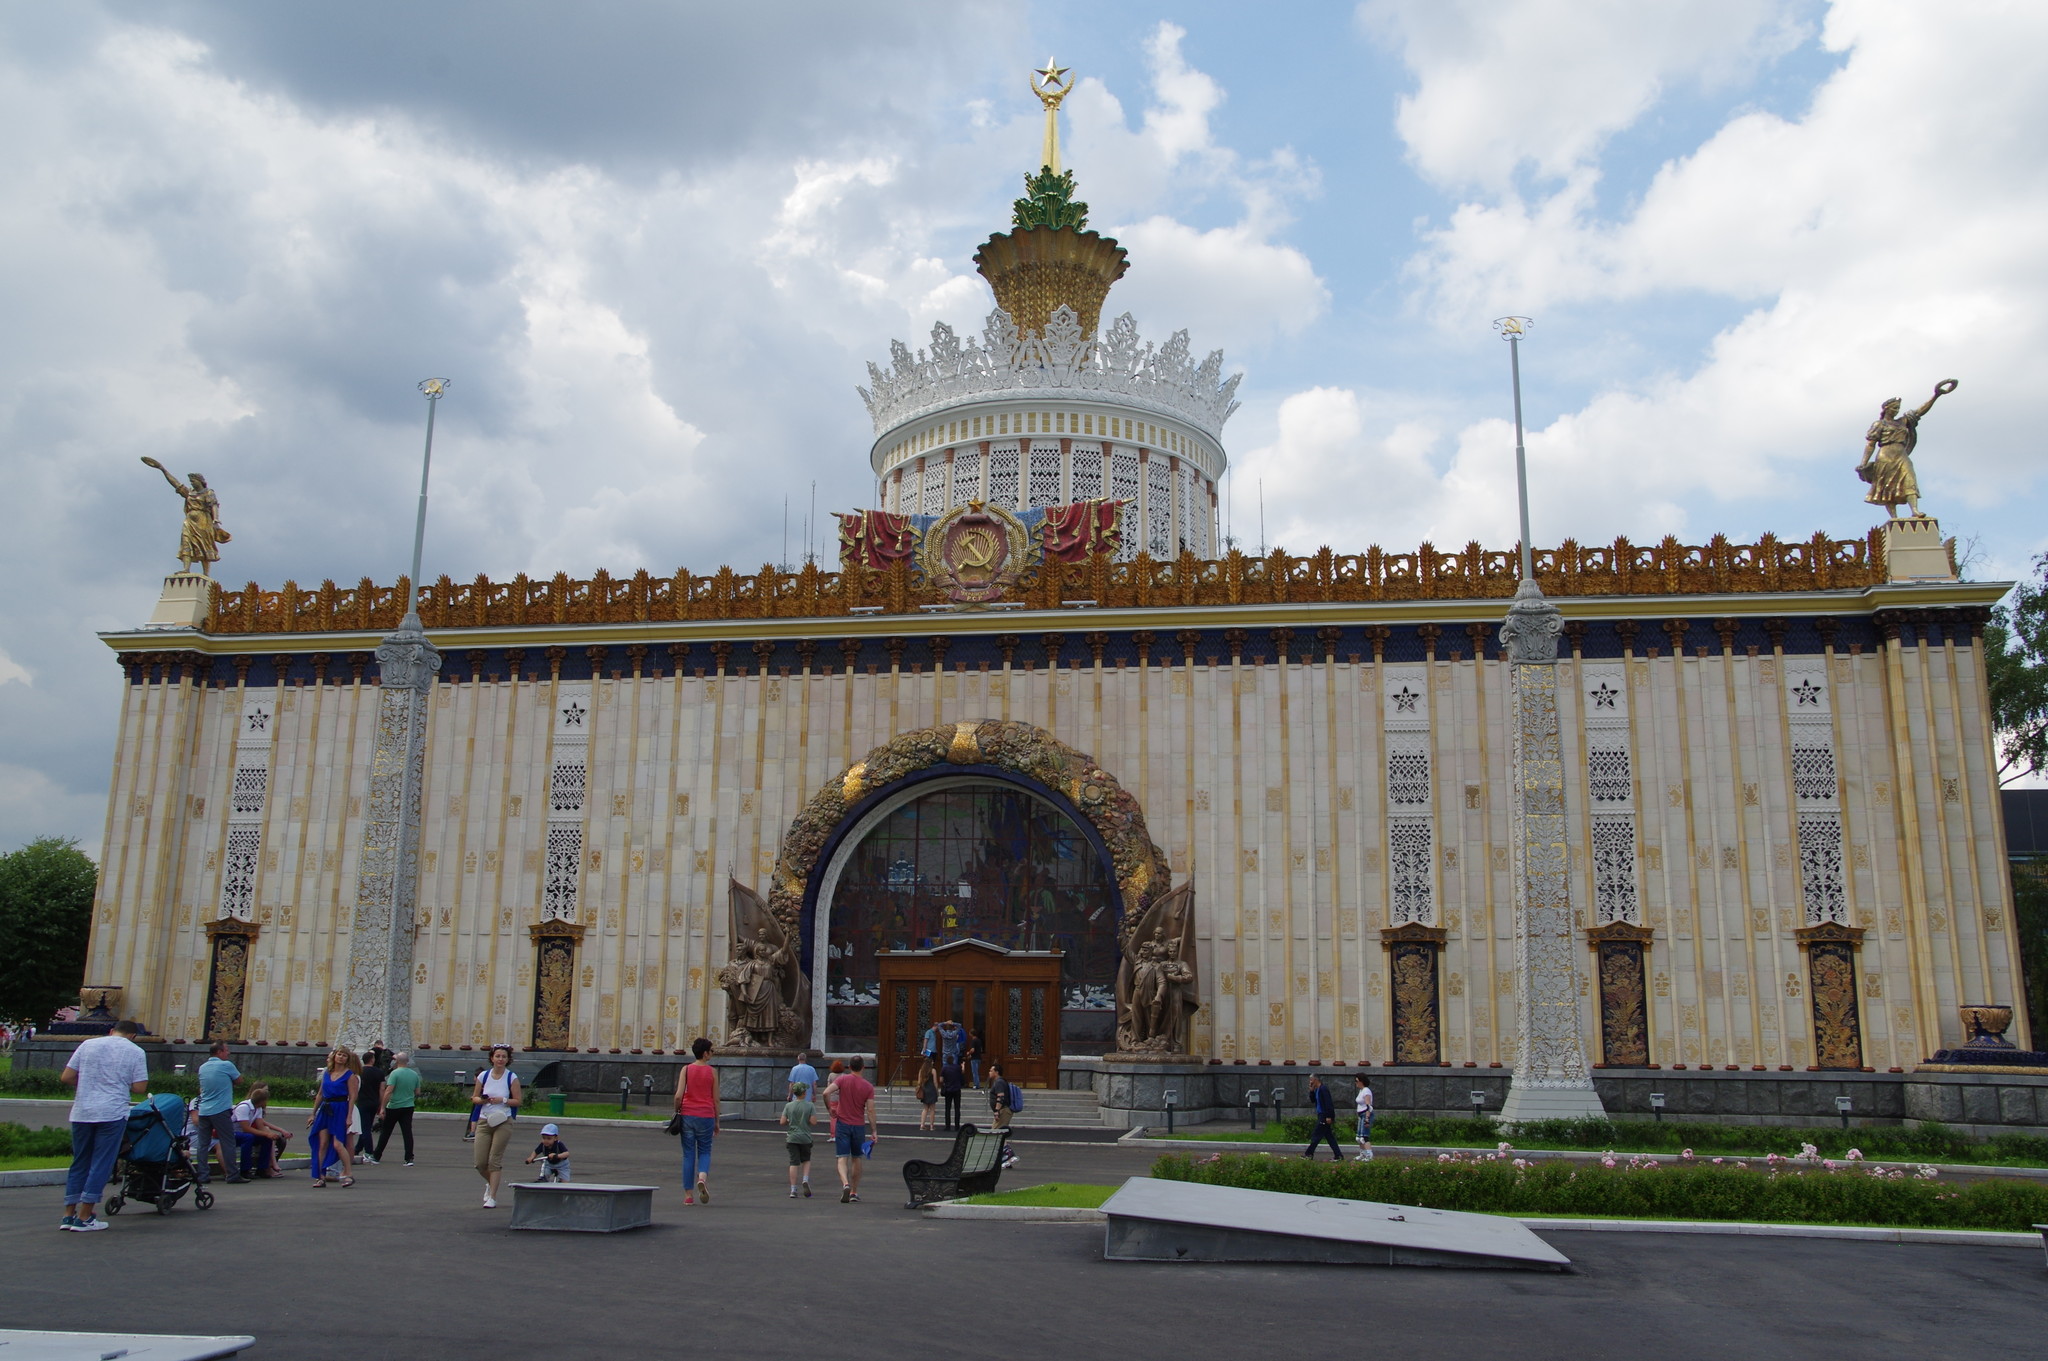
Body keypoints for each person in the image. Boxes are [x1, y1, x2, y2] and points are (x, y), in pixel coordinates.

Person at [60, 1019, 150, 1231]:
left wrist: (88, 1082)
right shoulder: (136, 1051)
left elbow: (67, 1077)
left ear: (111, 1031)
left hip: (82, 1110)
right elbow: (139, 1087)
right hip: (111, 1112)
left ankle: (68, 1214)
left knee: (80, 1161)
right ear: (133, 1036)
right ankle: (85, 1216)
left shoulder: (88, 1044)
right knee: (101, 1162)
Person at [470, 1045, 521, 1208]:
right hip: (485, 1120)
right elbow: (474, 1098)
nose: (500, 1059)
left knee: (494, 1160)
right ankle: (490, 1183)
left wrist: (503, 1100)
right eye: (497, 1056)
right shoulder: (483, 1076)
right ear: (492, 1058)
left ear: (508, 1059)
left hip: (503, 1121)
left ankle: (492, 1196)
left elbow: (518, 1101)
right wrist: (482, 1100)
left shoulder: (511, 1077)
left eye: (503, 1057)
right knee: (480, 1163)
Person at [675, 1036, 720, 1205]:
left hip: (688, 1115)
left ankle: (688, 1195)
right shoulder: (712, 1072)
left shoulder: (686, 1070)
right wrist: (717, 1122)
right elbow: (716, 1099)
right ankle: (702, 1177)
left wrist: (677, 1110)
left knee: (688, 1154)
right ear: (705, 1053)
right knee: (705, 1151)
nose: (712, 1054)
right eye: (711, 1051)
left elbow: (679, 1095)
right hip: (706, 1115)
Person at [308, 1047, 360, 1187]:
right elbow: (320, 1094)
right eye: (339, 1054)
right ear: (334, 1056)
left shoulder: (350, 1075)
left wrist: (349, 1116)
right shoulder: (327, 1073)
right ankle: (321, 1176)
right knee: (322, 1143)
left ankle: (348, 1174)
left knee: (338, 1144)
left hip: (340, 1108)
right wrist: (313, 1113)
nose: (341, 1057)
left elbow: (353, 1097)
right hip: (325, 1108)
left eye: (344, 1055)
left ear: (347, 1059)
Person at [193, 1042, 243, 1185]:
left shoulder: (203, 1067)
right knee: (228, 1141)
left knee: (203, 1143)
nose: (228, 1053)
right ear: (220, 1052)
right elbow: (240, 1081)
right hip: (220, 1109)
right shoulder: (226, 1065)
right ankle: (232, 1174)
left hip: (204, 1110)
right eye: (227, 1050)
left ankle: (202, 1175)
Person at [832, 1055, 876, 1204]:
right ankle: (854, 1191)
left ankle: (845, 1183)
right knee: (857, 1158)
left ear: (849, 1067)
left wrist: (830, 1110)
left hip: (842, 1123)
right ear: (863, 1067)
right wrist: (874, 1130)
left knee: (842, 1157)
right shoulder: (868, 1087)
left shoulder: (842, 1080)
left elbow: (826, 1092)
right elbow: (870, 1110)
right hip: (858, 1125)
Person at [373, 1050, 420, 1166]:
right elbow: (417, 1092)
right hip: (408, 1106)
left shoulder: (395, 1074)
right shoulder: (414, 1074)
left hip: (394, 1106)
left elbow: (388, 1091)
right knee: (407, 1132)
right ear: (408, 1061)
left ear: (396, 1061)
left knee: (386, 1132)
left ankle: (377, 1156)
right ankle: (409, 1158)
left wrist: (382, 1107)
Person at [233, 1084, 291, 1179]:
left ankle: (262, 1168)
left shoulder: (258, 1108)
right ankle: (245, 1169)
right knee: (248, 1138)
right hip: (234, 1133)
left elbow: (260, 1125)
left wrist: (270, 1135)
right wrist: (266, 1133)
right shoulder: (244, 1107)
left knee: (266, 1139)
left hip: (244, 1134)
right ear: (262, 1101)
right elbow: (246, 1128)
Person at [780, 1080, 815, 1199]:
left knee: (793, 1162)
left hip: (792, 1137)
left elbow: (782, 1122)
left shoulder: (788, 1106)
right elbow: (813, 1122)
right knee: (806, 1159)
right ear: (804, 1093)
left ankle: (793, 1189)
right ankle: (805, 1179)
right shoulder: (810, 1105)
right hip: (805, 1137)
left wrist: (791, 1120)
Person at [354, 1050, 388, 1163]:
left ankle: (368, 1152)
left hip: (362, 1102)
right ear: (372, 1060)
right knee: (366, 1126)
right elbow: (382, 1089)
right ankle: (357, 1149)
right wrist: (381, 1103)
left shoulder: (359, 1072)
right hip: (374, 1103)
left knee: (365, 1128)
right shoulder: (379, 1072)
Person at [1302, 1073, 1342, 1161]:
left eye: (1311, 1080)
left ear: (1316, 1080)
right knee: (1329, 1137)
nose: (1310, 1082)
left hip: (1324, 1115)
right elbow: (1313, 1100)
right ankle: (1338, 1155)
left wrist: (1329, 1116)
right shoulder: (1317, 1090)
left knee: (1316, 1135)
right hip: (1321, 1114)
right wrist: (1311, 1091)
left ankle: (1309, 1154)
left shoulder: (1323, 1089)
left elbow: (1329, 1103)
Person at [938, 1052, 964, 1130]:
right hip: (957, 1089)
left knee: (947, 1108)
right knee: (957, 1108)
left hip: (948, 1089)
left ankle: (947, 1125)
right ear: (953, 1060)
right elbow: (962, 1072)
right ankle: (957, 1125)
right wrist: (963, 1066)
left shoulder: (944, 1068)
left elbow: (941, 1080)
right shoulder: (957, 1067)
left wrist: (945, 1083)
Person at [1353, 1075, 1375, 1162]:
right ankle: (1362, 1154)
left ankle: (1369, 1155)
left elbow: (1368, 1106)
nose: (1355, 1083)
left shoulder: (1366, 1091)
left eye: (1356, 1081)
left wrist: (1367, 1119)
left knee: (1364, 1137)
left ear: (1361, 1081)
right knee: (1359, 1137)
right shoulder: (1361, 1091)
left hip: (1365, 1115)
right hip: (1360, 1115)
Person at [986, 1060, 1012, 1131]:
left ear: (996, 1072)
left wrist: (997, 1111)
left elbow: (1000, 1096)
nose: (989, 1072)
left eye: (991, 1071)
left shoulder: (999, 1082)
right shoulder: (999, 1081)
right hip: (1003, 1110)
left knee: (995, 1132)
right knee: (999, 1132)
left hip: (1003, 1110)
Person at [916, 1059, 938, 1131]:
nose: (933, 1062)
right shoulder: (933, 1070)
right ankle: (931, 1126)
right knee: (932, 1109)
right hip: (931, 1090)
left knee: (925, 1108)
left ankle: (922, 1124)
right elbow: (935, 1082)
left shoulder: (921, 1071)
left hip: (924, 1090)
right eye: (932, 1061)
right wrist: (937, 1091)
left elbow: (919, 1082)